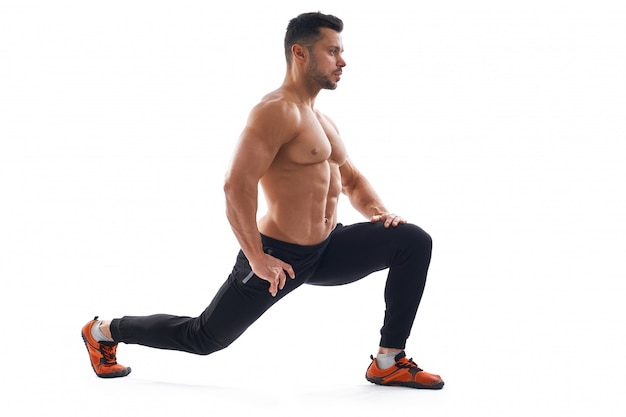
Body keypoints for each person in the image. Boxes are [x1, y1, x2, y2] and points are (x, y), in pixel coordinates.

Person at [81, 11, 444, 390]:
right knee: (204, 337)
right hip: (279, 258)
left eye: (342, 51)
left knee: (411, 241)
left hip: (327, 247)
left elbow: (351, 180)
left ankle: (388, 361)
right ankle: (103, 332)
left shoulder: (322, 121)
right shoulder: (275, 111)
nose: (343, 61)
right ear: (300, 54)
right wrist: (256, 258)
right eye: (332, 51)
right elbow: (236, 186)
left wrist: (379, 214)